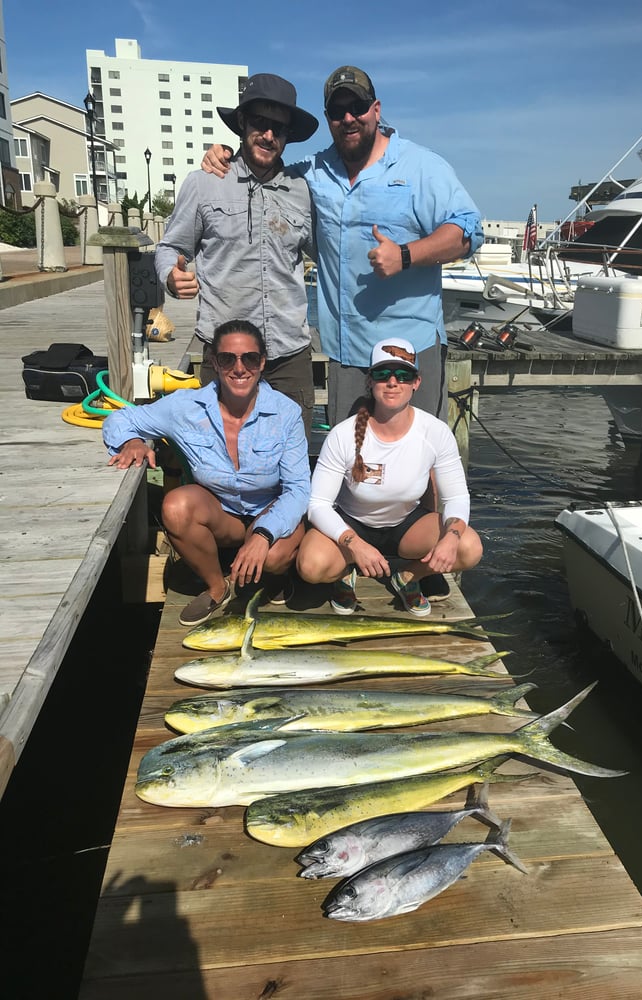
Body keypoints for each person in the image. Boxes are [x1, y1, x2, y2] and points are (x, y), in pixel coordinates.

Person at [200, 64, 484, 427]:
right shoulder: (313, 173)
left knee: (417, 465)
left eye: (358, 107)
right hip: (347, 355)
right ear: (328, 119)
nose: (349, 118)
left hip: (409, 352)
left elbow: (468, 230)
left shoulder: (421, 166)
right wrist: (225, 152)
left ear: (376, 110)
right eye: (337, 111)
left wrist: (406, 255)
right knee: (352, 465)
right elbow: (264, 165)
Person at [103, 320, 309, 626]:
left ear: (262, 362)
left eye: (250, 358)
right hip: (221, 513)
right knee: (175, 506)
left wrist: (264, 535)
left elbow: (298, 489)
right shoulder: (185, 407)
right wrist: (131, 440)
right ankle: (217, 587)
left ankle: (275, 579)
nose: (240, 368)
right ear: (214, 361)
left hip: (269, 509)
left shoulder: (286, 412)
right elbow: (121, 418)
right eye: (228, 358)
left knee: (274, 556)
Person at [155, 74, 319, 437]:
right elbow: (170, 247)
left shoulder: (302, 191)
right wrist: (171, 275)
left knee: (289, 460)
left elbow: (329, 254)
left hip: (289, 355)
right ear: (243, 123)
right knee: (222, 458)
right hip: (228, 356)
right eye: (261, 122)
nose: (269, 135)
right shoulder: (203, 182)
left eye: (279, 128)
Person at [296, 337, 483, 617]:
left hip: (406, 525)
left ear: (416, 382)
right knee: (311, 566)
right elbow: (318, 503)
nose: (393, 381)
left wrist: (451, 538)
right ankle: (344, 574)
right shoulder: (342, 435)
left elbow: (455, 496)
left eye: (403, 374)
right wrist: (355, 544)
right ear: (370, 382)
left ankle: (409, 576)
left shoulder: (435, 431)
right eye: (383, 374)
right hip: (351, 523)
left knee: (468, 547)